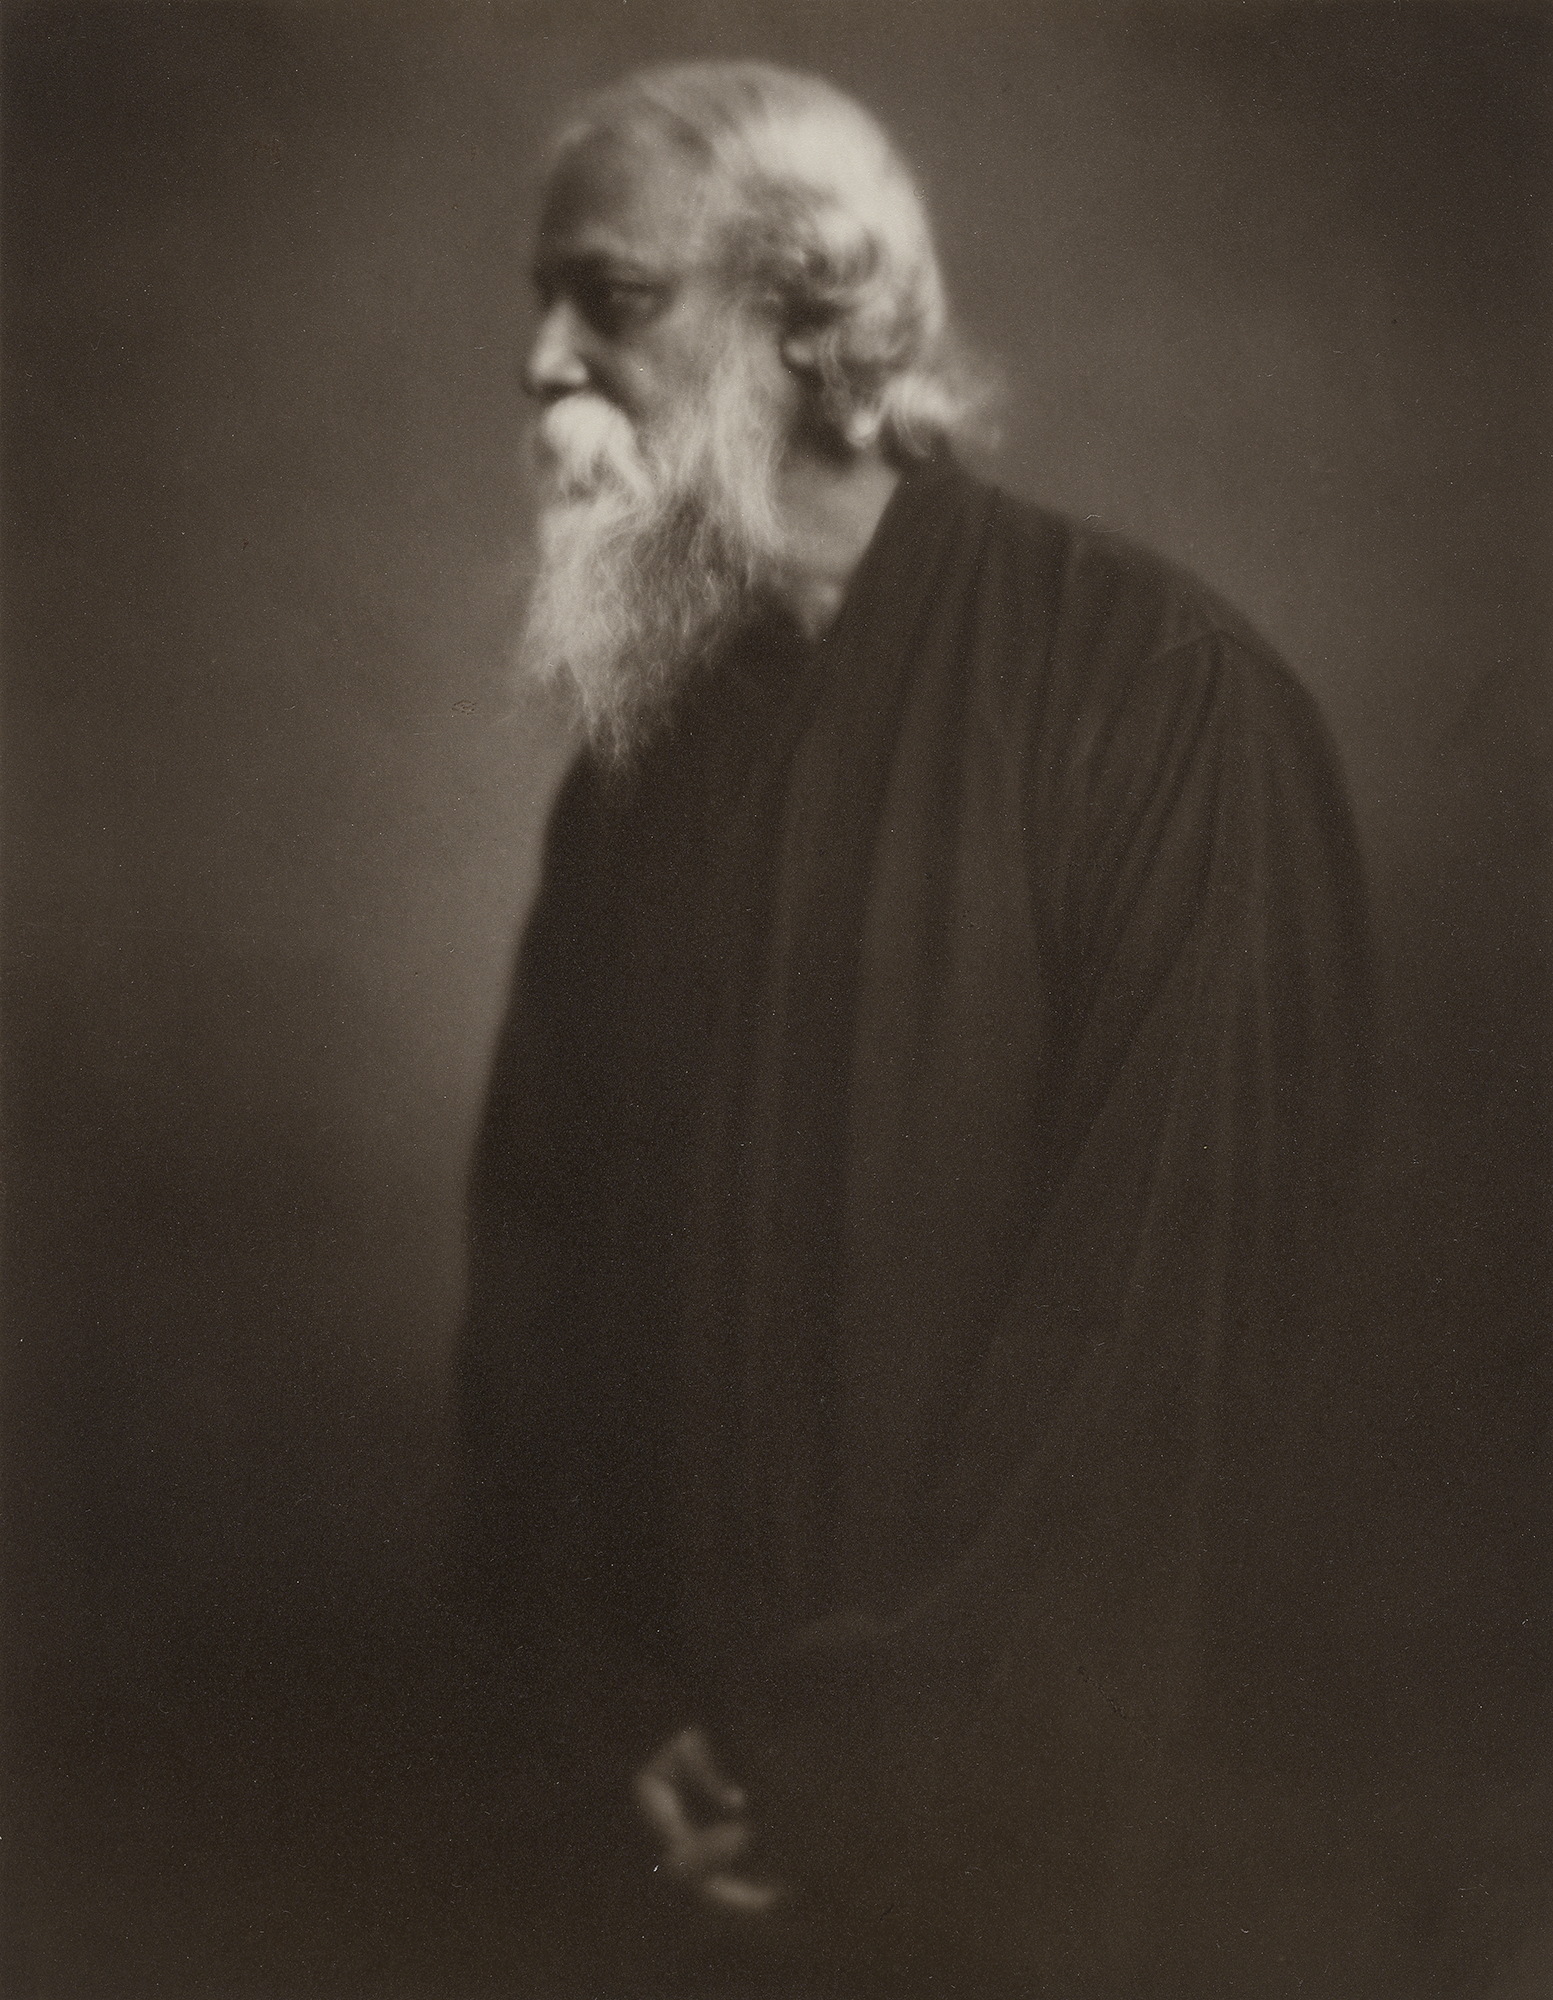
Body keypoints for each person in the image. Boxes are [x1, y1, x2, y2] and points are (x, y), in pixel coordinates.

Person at [454, 60, 1372, 1997]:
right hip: (658, 1854)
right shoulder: (641, 766)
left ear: (817, 321)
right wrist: (612, 1721)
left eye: (608, 298)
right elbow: (538, 1285)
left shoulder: (1161, 708)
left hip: (1011, 1879)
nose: (542, 363)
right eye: (543, 304)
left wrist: (845, 1774)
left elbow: (1162, 1374)